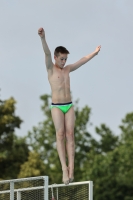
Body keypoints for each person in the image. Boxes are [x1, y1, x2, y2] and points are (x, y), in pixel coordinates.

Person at [38, 27, 101, 185]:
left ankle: (72, 169)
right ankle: (64, 169)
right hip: (57, 107)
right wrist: (43, 38)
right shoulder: (50, 68)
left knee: (70, 135)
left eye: (65, 59)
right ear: (56, 57)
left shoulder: (68, 69)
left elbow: (82, 60)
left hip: (69, 105)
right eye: (61, 59)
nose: (64, 62)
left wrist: (94, 52)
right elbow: (46, 53)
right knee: (60, 135)